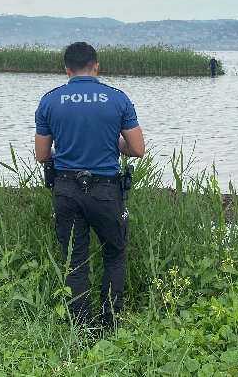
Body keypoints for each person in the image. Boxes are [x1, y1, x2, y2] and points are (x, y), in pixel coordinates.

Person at [34, 41, 145, 329]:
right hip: (106, 190)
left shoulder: (49, 100)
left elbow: (42, 155)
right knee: (114, 254)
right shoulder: (118, 98)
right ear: (96, 66)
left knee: (76, 260)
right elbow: (137, 148)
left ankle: (81, 328)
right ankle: (110, 324)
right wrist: (111, 143)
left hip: (66, 189)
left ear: (66, 69)